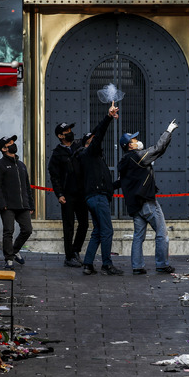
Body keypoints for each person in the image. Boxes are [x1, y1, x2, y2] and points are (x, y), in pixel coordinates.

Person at [117, 119, 179, 275]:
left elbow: (122, 182)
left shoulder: (125, 161)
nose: (138, 141)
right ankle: (162, 264)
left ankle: (137, 266)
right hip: (147, 202)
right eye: (134, 140)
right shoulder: (137, 157)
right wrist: (168, 131)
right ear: (130, 145)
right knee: (162, 234)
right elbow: (158, 149)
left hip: (134, 205)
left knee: (138, 236)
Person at [75, 104, 123, 276]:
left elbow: (106, 185)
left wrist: (120, 183)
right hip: (97, 198)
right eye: (93, 140)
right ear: (90, 143)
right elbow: (99, 133)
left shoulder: (92, 159)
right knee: (107, 230)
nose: (97, 141)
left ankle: (88, 264)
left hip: (94, 197)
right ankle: (107, 265)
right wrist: (108, 117)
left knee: (97, 231)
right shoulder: (90, 153)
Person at [48, 121, 88, 267]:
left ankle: (76, 251)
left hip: (82, 193)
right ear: (60, 136)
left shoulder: (79, 146)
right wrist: (59, 194)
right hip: (68, 195)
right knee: (68, 226)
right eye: (67, 131)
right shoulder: (57, 154)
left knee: (84, 223)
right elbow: (54, 176)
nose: (70, 133)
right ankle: (69, 256)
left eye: (71, 130)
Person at [0, 135, 35, 269]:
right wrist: (2, 204)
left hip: (23, 205)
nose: (13, 144)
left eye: (13, 142)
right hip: (8, 206)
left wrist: (30, 204)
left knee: (27, 230)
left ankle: (15, 251)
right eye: (10, 143)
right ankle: (9, 259)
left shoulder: (21, 165)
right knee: (8, 231)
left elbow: (27, 186)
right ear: (4, 148)